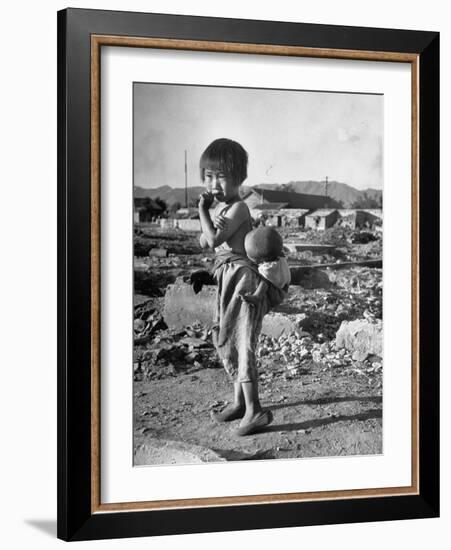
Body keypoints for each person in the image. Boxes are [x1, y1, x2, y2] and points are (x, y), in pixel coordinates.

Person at [197, 138, 276, 436]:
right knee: (227, 338)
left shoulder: (239, 207)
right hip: (226, 278)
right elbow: (203, 241)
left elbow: (214, 240)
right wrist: (208, 219)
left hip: (243, 282)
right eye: (208, 176)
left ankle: (254, 410)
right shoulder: (223, 209)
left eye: (221, 176)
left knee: (243, 343)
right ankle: (238, 403)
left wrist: (204, 213)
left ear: (239, 178)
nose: (213, 183)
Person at [240, 227, 291, 308]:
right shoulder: (280, 258)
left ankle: (257, 296)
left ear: (260, 260)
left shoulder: (268, 269)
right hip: (283, 286)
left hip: (274, 293)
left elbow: (265, 279)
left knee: (264, 281)